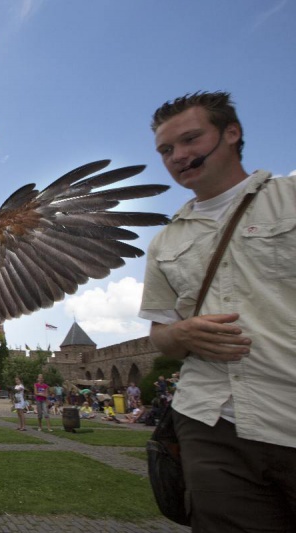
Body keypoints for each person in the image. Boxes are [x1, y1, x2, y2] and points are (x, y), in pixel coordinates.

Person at [139, 91, 296, 530]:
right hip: (211, 421)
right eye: (166, 150)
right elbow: (159, 332)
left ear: (231, 133)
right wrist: (181, 336)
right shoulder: (165, 242)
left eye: (190, 139)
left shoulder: (291, 198)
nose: (178, 157)